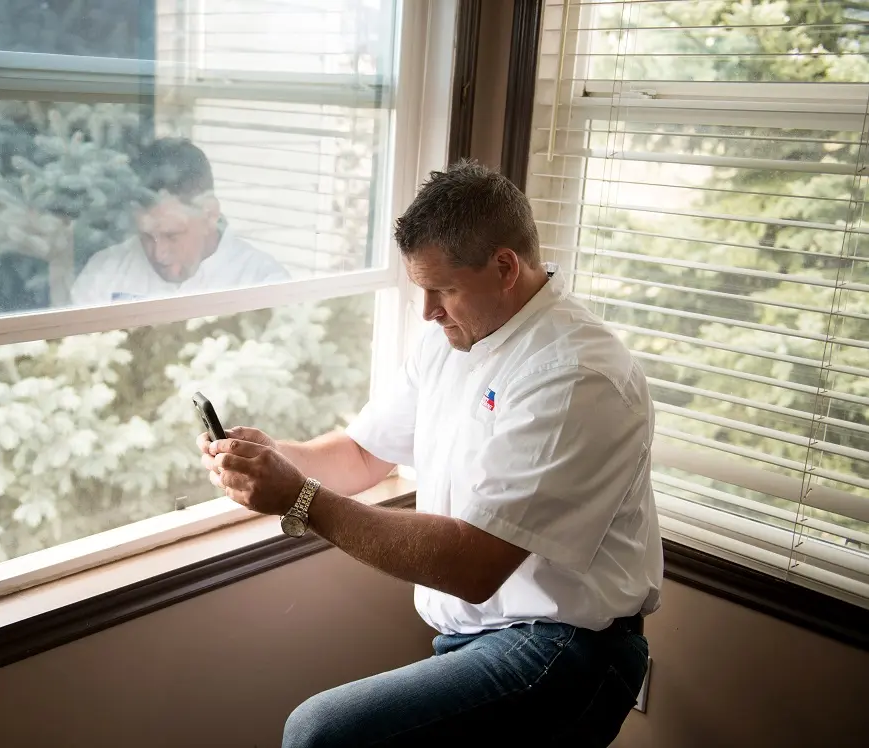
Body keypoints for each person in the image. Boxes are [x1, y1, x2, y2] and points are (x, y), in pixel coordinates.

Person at [198, 161, 663, 747]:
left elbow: (473, 565)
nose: (427, 311)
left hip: (565, 648)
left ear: (504, 267)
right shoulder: (451, 338)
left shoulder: (576, 375)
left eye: (442, 289)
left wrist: (299, 497)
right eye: (421, 288)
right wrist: (275, 458)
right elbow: (364, 454)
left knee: (321, 733)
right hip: (475, 635)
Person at [70, 138, 289, 305]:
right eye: (146, 236)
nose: (159, 254)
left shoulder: (262, 282)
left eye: (172, 235)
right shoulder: (105, 272)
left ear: (210, 215)